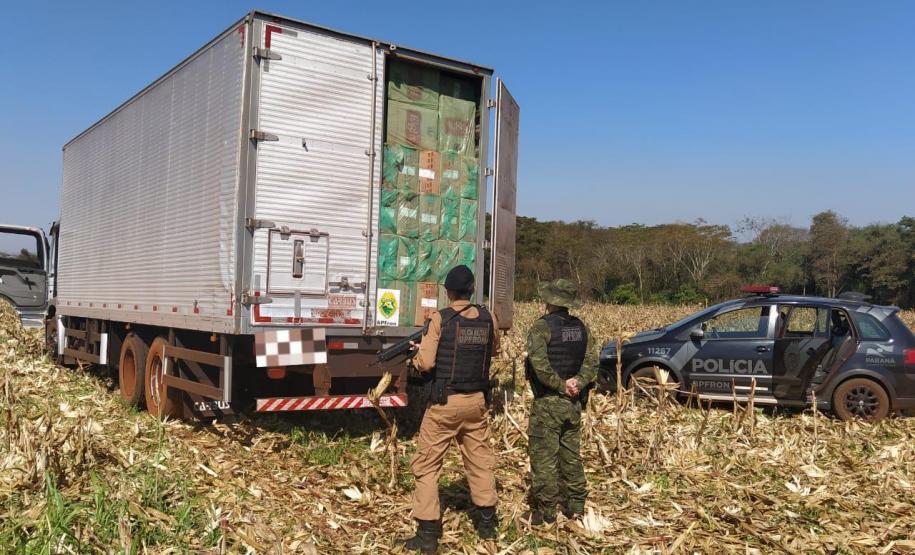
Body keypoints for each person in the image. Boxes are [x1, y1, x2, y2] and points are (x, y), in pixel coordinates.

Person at [401, 265, 500, 553]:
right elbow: (493, 351)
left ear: (449, 291)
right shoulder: (487, 317)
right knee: (480, 461)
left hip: (445, 404)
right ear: (470, 290)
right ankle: (487, 526)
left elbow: (427, 363)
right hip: (476, 403)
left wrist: (415, 354)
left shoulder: (440, 319)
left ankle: (428, 534)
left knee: (427, 465)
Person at [524, 279, 599, 524]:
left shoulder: (541, 327)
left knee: (544, 459)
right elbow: (591, 363)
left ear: (550, 300)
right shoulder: (581, 327)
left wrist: (560, 385)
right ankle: (576, 505)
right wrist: (578, 382)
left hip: (548, 403)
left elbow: (539, 365)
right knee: (571, 456)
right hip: (574, 403)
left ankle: (546, 512)